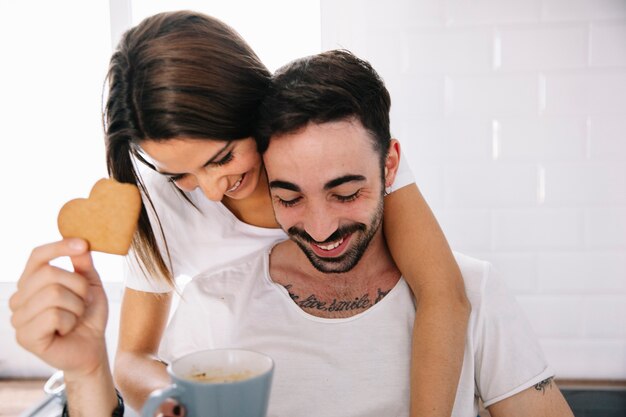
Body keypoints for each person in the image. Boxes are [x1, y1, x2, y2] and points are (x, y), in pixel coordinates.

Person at [11, 10, 468, 417]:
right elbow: (133, 358)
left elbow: (442, 292)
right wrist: (184, 396)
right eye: (182, 176)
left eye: (223, 157)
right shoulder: (159, 206)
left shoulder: (333, 151)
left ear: (252, 104)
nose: (210, 192)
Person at [158, 49, 575, 416]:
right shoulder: (214, 303)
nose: (320, 230)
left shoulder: (474, 289)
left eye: (345, 193)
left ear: (390, 166)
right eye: (289, 198)